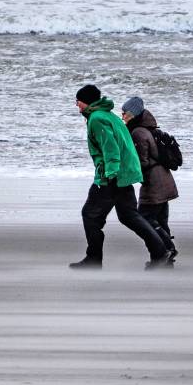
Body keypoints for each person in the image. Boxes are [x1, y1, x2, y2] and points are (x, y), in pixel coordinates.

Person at [69, 84, 173, 271]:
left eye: (78, 101)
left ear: (86, 101)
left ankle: (93, 259)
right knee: (129, 216)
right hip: (123, 175)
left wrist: (109, 175)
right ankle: (160, 252)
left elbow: (111, 149)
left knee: (90, 215)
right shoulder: (109, 116)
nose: (77, 105)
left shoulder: (97, 118)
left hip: (111, 176)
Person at [122, 97, 178, 262]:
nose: (122, 116)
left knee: (145, 217)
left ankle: (166, 248)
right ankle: (169, 252)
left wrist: (128, 173)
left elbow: (142, 161)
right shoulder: (150, 129)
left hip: (154, 182)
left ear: (133, 114)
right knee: (160, 219)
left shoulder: (138, 132)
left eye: (125, 113)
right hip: (165, 179)